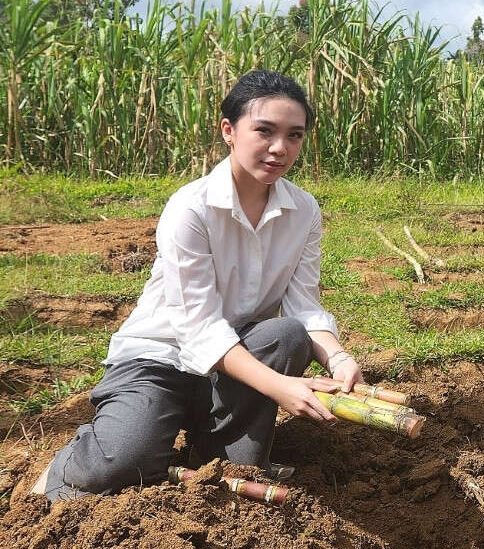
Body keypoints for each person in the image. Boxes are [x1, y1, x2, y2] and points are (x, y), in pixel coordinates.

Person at [33, 70, 361, 502]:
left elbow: (304, 306)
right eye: (264, 131)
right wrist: (279, 387)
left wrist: (337, 358)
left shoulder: (303, 210)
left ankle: (204, 455)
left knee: (286, 335)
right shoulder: (190, 208)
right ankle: (71, 466)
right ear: (229, 130)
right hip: (159, 359)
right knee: (117, 464)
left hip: (236, 361)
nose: (280, 148)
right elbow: (199, 329)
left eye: (294, 136)